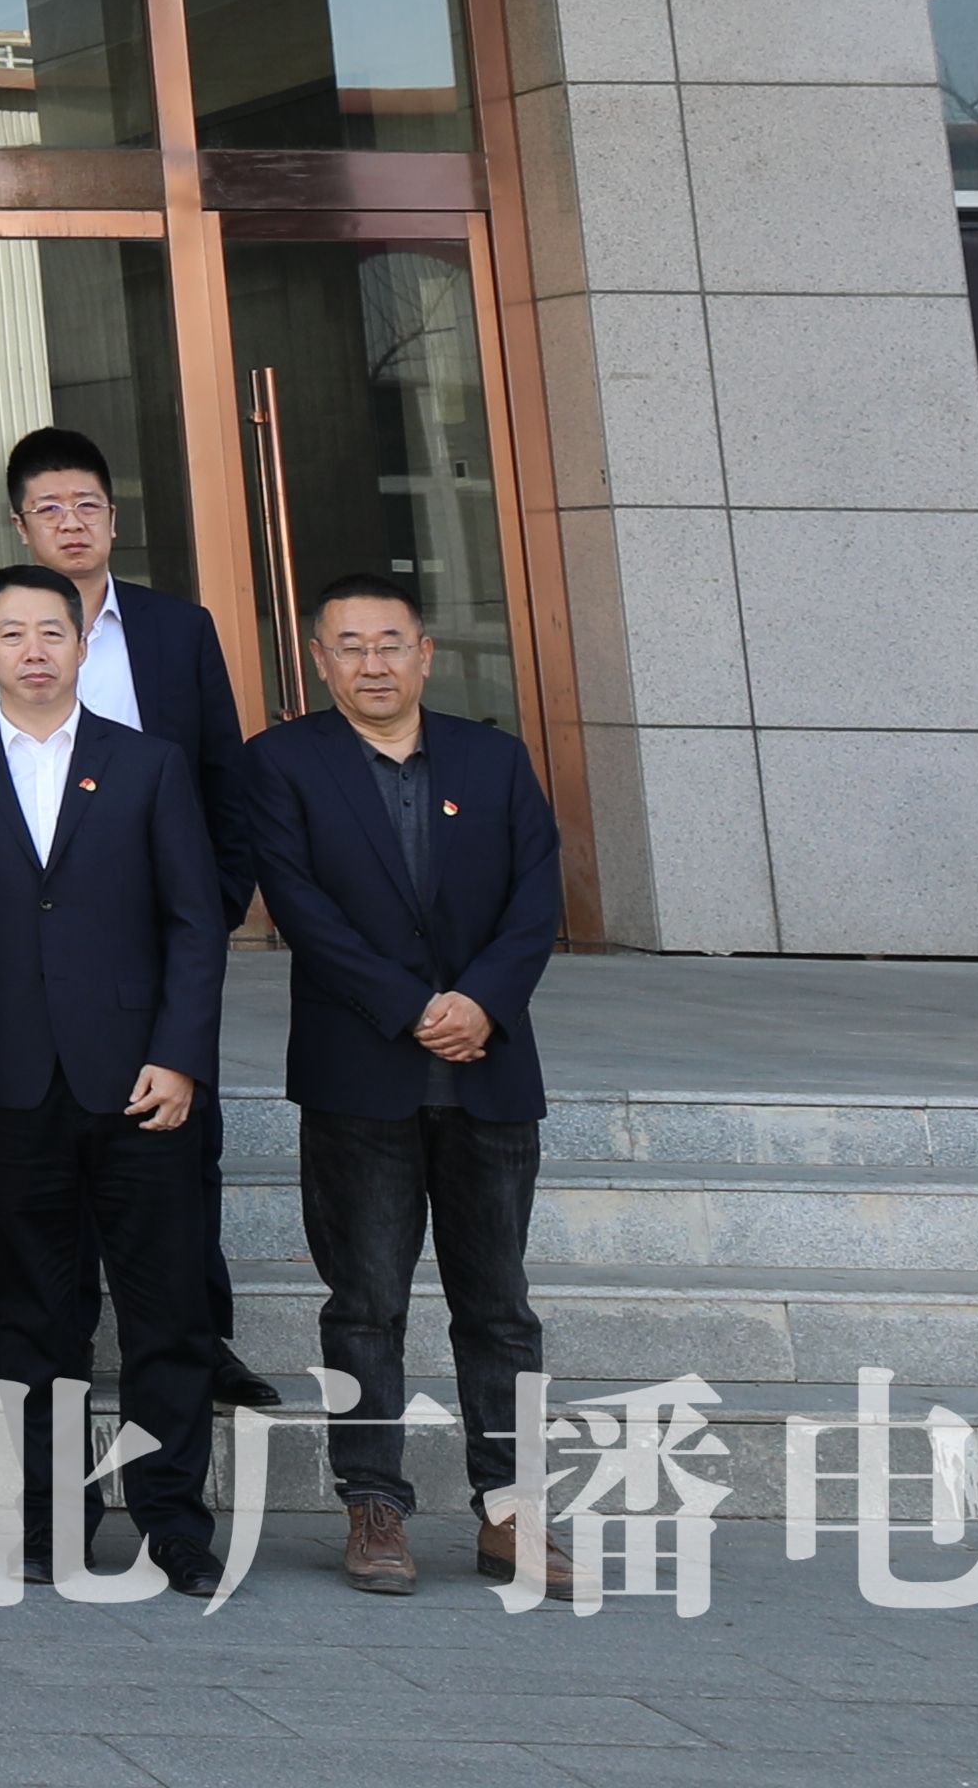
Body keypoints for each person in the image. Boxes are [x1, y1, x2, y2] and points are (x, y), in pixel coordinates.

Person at [0, 426, 269, 1411]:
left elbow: (221, 778)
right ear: (20, 524)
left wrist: (207, 913)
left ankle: (206, 1344)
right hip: (21, 989)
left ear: (114, 519)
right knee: (43, 1243)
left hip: (148, 956)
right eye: (49, 508)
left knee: (179, 1171)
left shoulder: (177, 627)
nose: (70, 522)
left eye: (87, 505)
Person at [0, 564, 234, 1591]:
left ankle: (173, 1521)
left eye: (52, 631)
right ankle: (52, 1521)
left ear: (82, 645)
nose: (34, 650)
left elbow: (195, 925)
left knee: (165, 1313)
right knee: (35, 1321)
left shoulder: (148, 764)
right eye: (11, 633)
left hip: (142, 1083)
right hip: (6, 1084)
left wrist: (181, 1055)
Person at [247, 572, 564, 1596]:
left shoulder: (494, 758)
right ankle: (373, 1503)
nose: (372, 663)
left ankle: (511, 1511)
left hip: (488, 1071)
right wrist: (412, 1006)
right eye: (349, 645)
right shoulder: (281, 762)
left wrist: (482, 1002)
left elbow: (537, 893)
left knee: (500, 1308)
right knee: (365, 1303)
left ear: (425, 654)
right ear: (319, 660)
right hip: (360, 1073)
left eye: (390, 642)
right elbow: (300, 904)